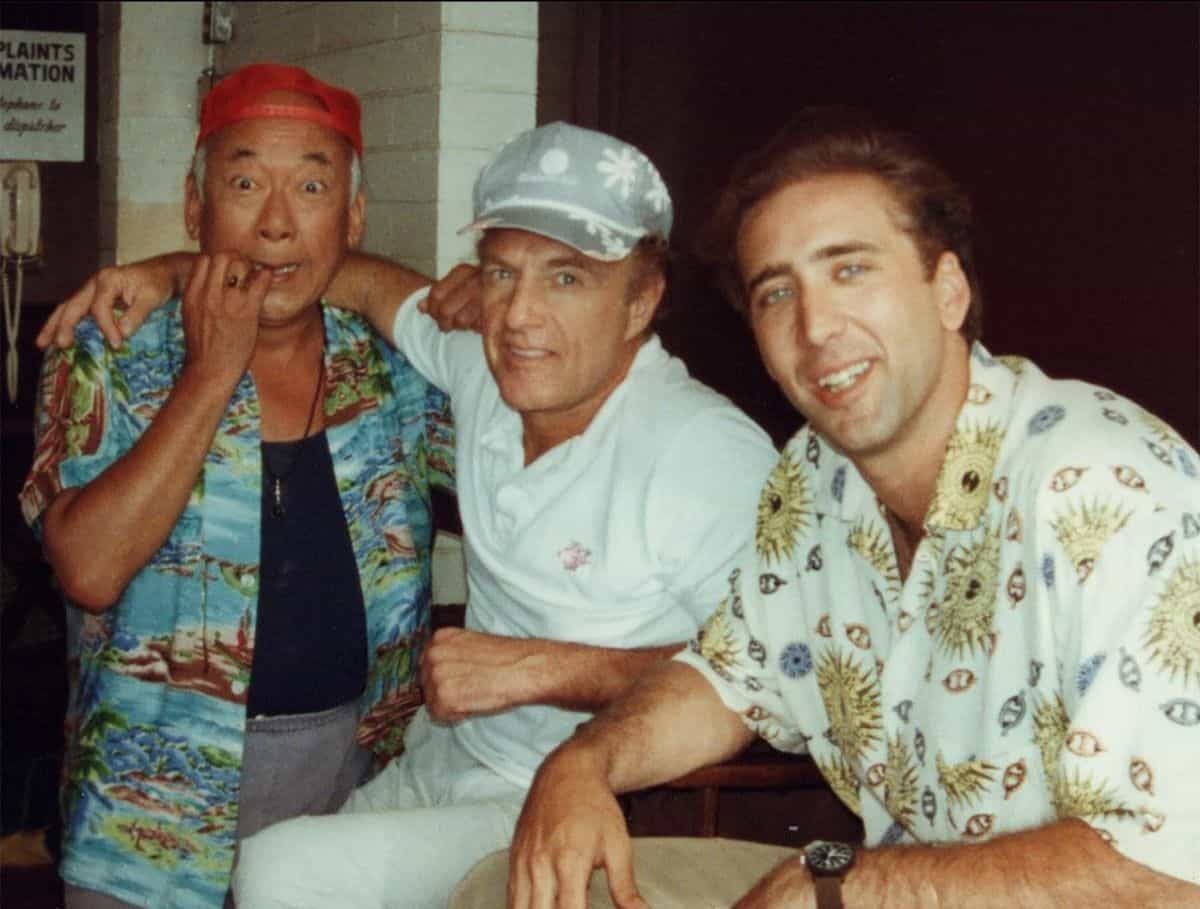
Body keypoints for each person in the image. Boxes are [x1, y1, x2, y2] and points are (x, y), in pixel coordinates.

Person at [460, 109, 1200, 908]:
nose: (815, 327)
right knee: (516, 887)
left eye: (850, 270)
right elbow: (728, 677)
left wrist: (841, 887)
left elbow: (1174, 868)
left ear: (948, 290)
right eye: (778, 292)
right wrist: (584, 762)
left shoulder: (1103, 490)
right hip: (886, 882)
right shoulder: (816, 478)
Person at [43, 122, 779, 908]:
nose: (521, 316)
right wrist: (168, 273)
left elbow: (773, 675)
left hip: (594, 798)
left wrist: (540, 668)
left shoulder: (704, 450)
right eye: (503, 272)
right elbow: (342, 275)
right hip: (441, 759)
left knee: (278, 873)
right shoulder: (482, 365)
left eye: (567, 278)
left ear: (641, 300)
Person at [19, 63, 453, 908]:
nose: (278, 221)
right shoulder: (111, 347)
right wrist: (211, 369)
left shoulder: (395, 366)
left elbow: (525, 425)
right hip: (148, 813)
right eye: (245, 183)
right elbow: (88, 568)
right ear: (195, 205)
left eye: (314, 188)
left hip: (357, 798)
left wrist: (355, 281)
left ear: (354, 214)